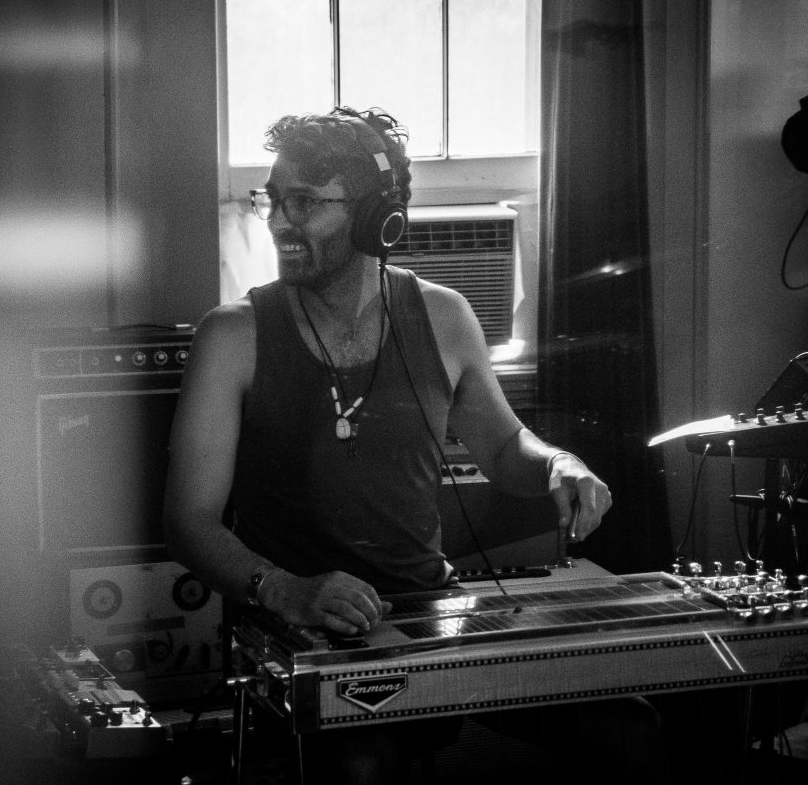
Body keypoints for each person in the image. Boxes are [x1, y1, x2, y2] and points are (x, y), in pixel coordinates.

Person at [164, 105, 648, 783]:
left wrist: (558, 464)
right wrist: (284, 590)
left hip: (431, 615)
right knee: (361, 762)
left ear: (376, 217)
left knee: (624, 728)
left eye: (303, 202)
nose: (278, 222)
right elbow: (187, 521)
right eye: (273, 200)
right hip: (297, 627)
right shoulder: (232, 336)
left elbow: (505, 448)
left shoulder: (444, 316)